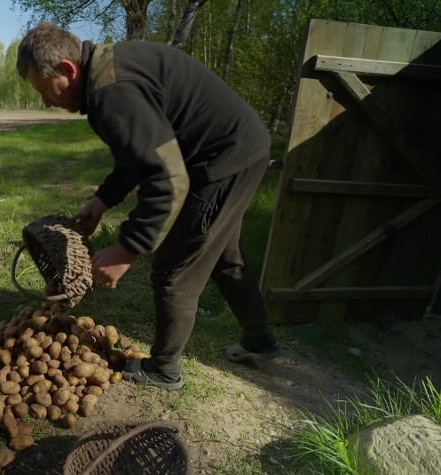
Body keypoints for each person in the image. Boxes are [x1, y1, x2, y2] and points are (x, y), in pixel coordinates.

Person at [16, 23, 280, 390]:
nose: (47, 101)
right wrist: (105, 198)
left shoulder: (111, 92)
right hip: (241, 148)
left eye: (46, 89)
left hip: (222, 159)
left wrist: (127, 248)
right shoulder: (107, 70)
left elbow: (168, 178)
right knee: (223, 255)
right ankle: (259, 340)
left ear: (67, 69)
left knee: (174, 271)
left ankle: (164, 369)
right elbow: (142, 151)